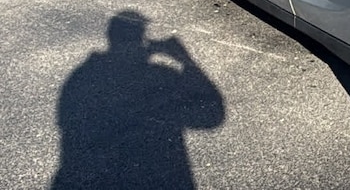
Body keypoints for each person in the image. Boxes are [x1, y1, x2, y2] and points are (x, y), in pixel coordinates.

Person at [51, 11, 225, 190]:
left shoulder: (81, 74)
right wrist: (184, 58)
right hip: (161, 171)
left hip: (79, 172)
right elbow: (211, 119)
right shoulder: (161, 73)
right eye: (141, 31)